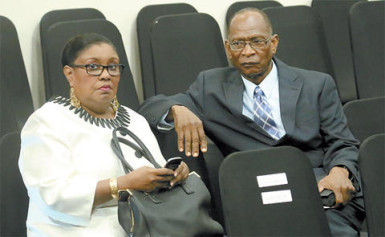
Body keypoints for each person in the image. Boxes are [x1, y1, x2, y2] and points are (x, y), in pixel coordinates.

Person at [138, 8, 365, 236]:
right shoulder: (211, 87)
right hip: (255, 191)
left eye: (257, 41)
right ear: (228, 48)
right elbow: (149, 108)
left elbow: (343, 142)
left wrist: (340, 172)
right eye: (238, 44)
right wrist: (177, 109)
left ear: (273, 43)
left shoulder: (316, 85)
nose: (248, 52)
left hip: (314, 183)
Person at [18, 33, 190, 236]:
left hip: (144, 226)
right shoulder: (47, 121)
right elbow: (52, 196)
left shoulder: (134, 120)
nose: (106, 74)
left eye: (113, 66)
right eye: (93, 67)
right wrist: (121, 185)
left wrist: (173, 173)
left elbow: (154, 172)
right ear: (69, 74)